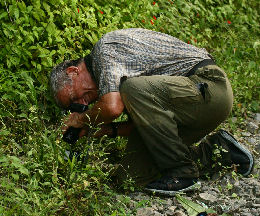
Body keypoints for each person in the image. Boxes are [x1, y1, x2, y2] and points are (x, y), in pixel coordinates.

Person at [50, 28, 254, 195]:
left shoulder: (104, 51)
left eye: (74, 98)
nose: (82, 103)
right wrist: (109, 131)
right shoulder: (112, 82)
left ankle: (181, 172)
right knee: (129, 177)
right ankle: (222, 150)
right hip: (187, 105)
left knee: (132, 89)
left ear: (73, 72)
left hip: (208, 87)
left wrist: (81, 120)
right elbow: (149, 122)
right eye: (75, 105)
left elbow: (112, 107)